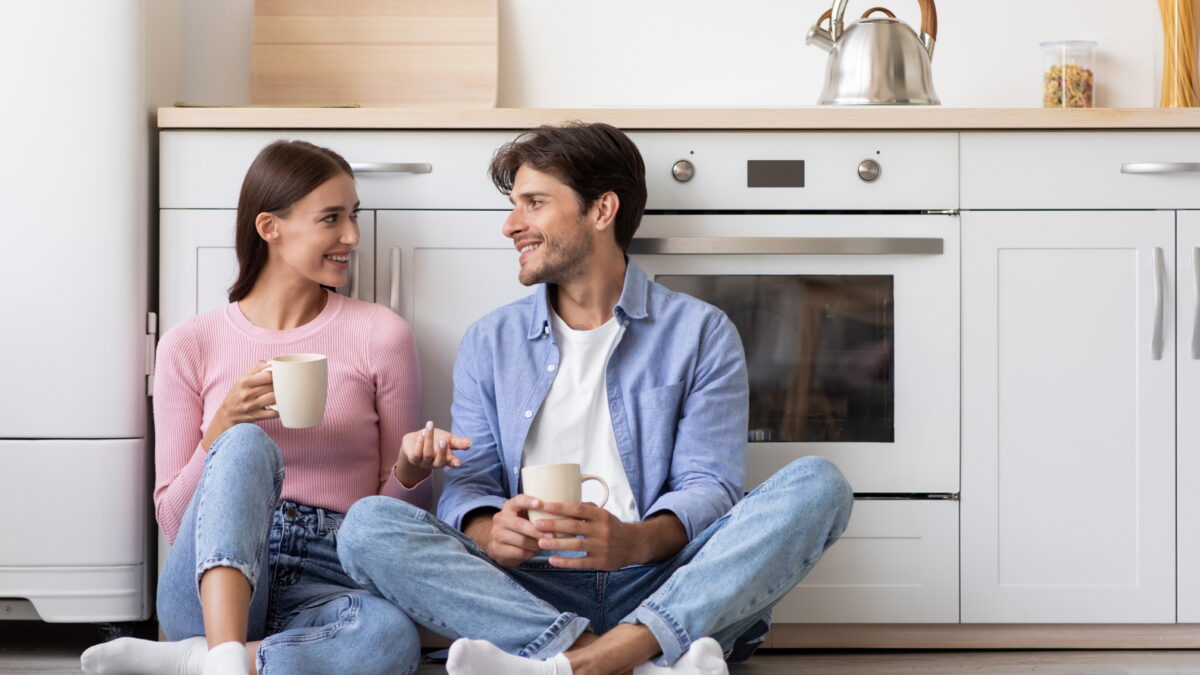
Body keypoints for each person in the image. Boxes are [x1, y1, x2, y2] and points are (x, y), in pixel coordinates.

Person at [336, 122, 854, 675]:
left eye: (534, 203)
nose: (512, 225)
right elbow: (472, 485)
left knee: (819, 486)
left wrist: (631, 544)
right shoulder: (491, 342)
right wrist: (492, 533)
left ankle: (575, 661)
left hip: (664, 579)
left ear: (602, 210)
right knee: (368, 526)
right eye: (515, 205)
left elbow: (710, 487)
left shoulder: (701, 332)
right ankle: (636, 657)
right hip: (527, 590)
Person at [81, 140, 443, 675]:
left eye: (354, 216)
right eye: (331, 218)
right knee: (246, 443)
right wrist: (221, 431)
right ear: (270, 227)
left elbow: (390, 523)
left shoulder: (380, 334)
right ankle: (227, 650)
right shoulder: (191, 343)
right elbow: (175, 521)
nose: (353, 237)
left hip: (333, 569)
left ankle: (207, 662)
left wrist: (412, 473)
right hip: (209, 582)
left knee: (390, 640)